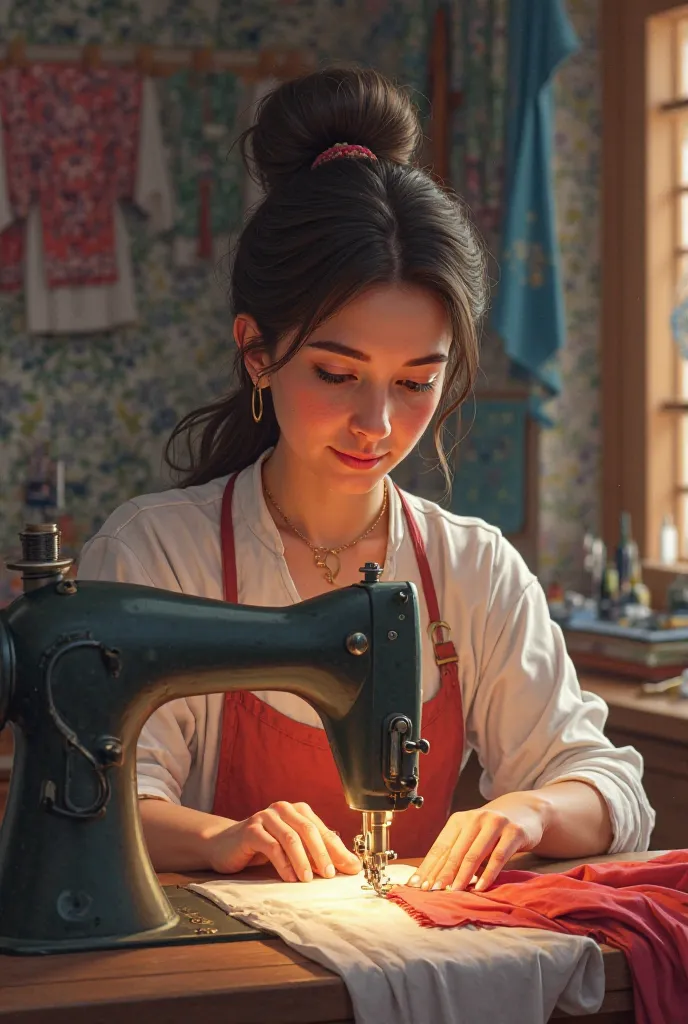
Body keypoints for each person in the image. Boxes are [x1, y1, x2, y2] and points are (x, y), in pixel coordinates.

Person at [77, 65, 654, 895]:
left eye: (417, 382)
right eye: (338, 374)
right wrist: (223, 836)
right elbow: (105, 797)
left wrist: (527, 811)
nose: (378, 425)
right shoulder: (156, 555)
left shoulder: (473, 568)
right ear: (256, 352)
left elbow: (610, 790)